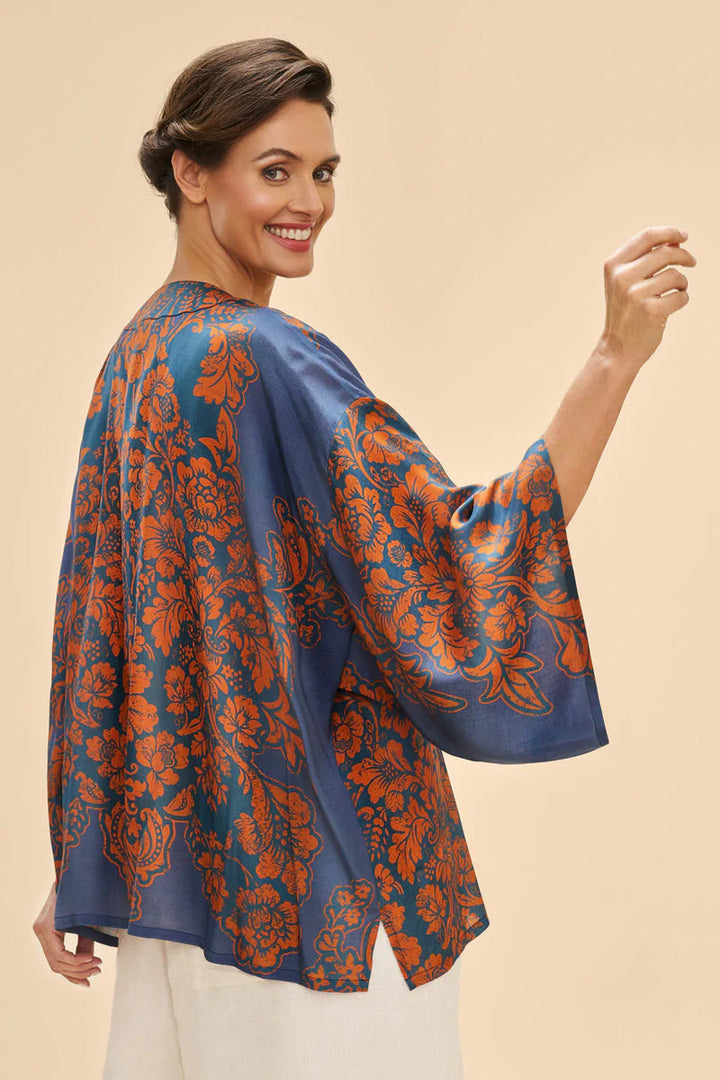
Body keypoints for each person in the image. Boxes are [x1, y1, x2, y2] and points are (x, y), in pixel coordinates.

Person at [32, 37, 695, 1080]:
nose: (310, 201)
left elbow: (104, 634)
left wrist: (89, 848)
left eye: (323, 170)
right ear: (190, 175)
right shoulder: (267, 356)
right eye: (275, 169)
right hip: (329, 906)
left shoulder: (136, 361)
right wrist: (616, 357)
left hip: (184, 899)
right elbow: (460, 557)